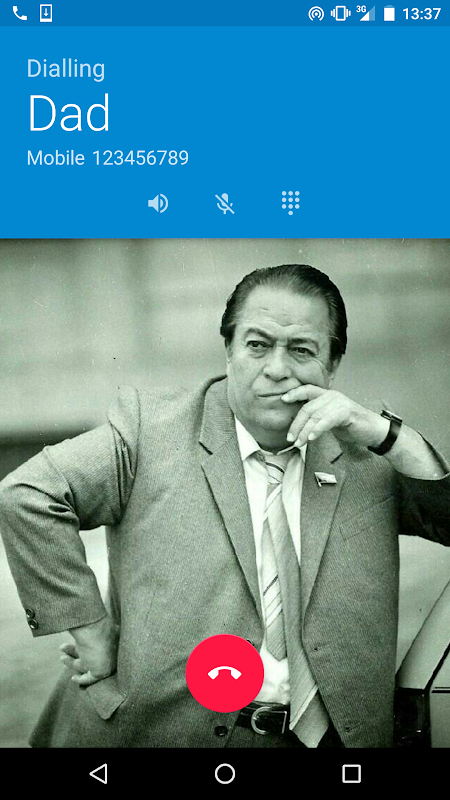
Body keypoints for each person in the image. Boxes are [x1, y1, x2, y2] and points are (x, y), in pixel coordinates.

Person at [0, 263, 449, 749]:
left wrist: (384, 432)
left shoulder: (367, 452)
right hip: (151, 735)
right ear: (229, 350)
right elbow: (28, 494)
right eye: (258, 345)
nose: (277, 368)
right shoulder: (150, 430)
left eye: (302, 349)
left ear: (333, 364)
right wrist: (92, 632)